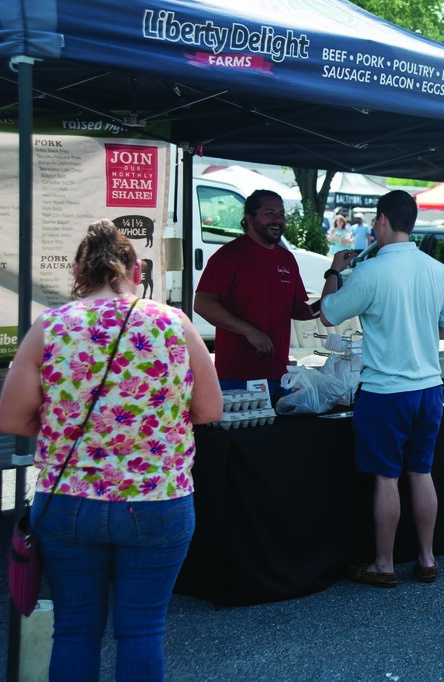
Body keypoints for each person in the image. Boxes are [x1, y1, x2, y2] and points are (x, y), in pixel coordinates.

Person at [0, 219, 222, 681]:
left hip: (68, 500)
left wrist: (67, 429)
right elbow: (210, 409)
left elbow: (12, 418)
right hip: (158, 497)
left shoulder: (50, 327)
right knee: (142, 632)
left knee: (74, 630)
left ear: (79, 272)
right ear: (136, 270)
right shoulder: (173, 324)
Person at [318, 190, 444, 587]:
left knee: (386, 478)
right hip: (429, 387)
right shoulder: (437, 269)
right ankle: (427, 558)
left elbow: (327, 314)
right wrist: (416, 331)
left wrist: (333, 272)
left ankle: (384, 564)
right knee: (421, 472)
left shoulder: (370, 271)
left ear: (382, 220)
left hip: (385, 391)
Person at [194, 189, 320, 395]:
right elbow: (202, 303)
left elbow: (297, 309)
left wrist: (329, 303)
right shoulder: (229, 256)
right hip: (236, 377)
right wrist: (249, 331)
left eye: (281, 214)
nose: (278, 220)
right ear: (249, 219)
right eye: (269, 213)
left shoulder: (287, 259)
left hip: (278, 374)